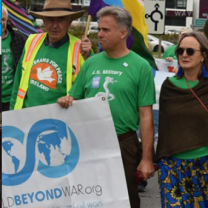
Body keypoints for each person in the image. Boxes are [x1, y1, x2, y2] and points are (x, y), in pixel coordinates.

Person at [57, 6, 156, 208]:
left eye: (106, 30)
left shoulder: (140, 66)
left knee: (125, 200)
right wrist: (67, 100)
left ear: (123, 33)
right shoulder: (91, 63)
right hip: (88, 144)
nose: (99, 34)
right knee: (89, 199)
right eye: (98, 29)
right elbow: (74, 99)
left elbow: (146, 116)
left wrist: (147, 158)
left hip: (123, 144)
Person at [156, 32, 208, 208]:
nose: (184, 55)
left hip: (205, 164)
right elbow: (163, 126)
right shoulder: (168, 87)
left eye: (190, 51)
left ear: (203, 56)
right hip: (172, 166)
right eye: (180, 51)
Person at [10, 0, 92, 110]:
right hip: (26, 118)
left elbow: (89, 91)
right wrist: (12, 115)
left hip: (58, 122)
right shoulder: (31, 41)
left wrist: (89, 57)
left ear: (69, 21)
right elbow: (18, 83)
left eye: (60, 20)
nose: (54, 25)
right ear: (43, 20)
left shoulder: (81, 50)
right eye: (50, 19)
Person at [1, 6, 26, 111]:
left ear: (7, 20)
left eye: (3, 19)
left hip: (10, 99)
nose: (1, 23)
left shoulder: (18, 39)